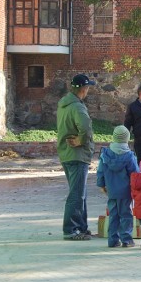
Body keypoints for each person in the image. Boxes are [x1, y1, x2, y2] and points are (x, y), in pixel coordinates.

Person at [57, 73, 96, 241]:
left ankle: (81, 227)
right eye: (87, 87)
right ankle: (71, 229)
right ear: (84, 89)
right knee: (77, 194)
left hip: (66, 153)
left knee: (80, 192)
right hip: (77, 154)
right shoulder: (78, 107)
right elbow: (86, 128)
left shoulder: (64, 104)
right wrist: (81, 140)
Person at [97, 125, 139, 247]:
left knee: (113, 215)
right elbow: (135, 174)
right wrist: (137, 188)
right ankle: (126, 239)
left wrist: (102, 185)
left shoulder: (105, 154)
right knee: (126, 215)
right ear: (127, 139)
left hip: (111, 190)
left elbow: (100, 171)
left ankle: (112, 240)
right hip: (126, 192)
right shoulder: (129, 156)